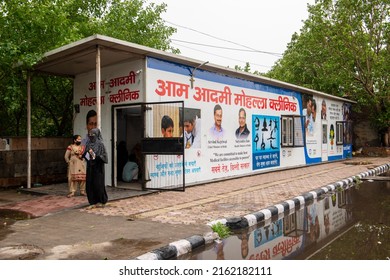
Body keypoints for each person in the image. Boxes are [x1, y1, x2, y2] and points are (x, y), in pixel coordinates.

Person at [84, 128, 108, 208]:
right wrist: (87, 155)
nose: (91, 136)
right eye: (90, 134)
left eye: (93, 134)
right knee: (90, 184)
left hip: (98, 168)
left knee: (98, 184)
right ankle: (92, 201)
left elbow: (104, 156)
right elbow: (85, 154)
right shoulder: (88, 143)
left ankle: (101, 200)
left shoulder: (100, 144)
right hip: (90, 167)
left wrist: (96, 157)